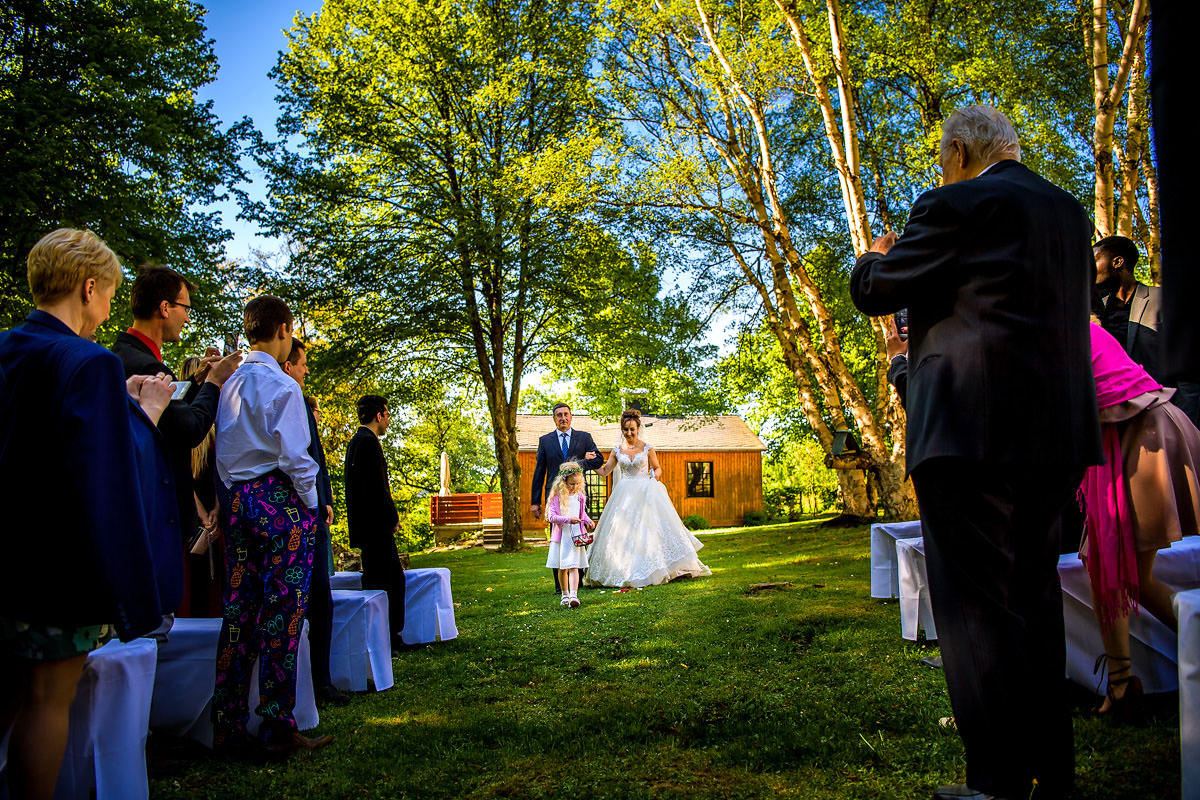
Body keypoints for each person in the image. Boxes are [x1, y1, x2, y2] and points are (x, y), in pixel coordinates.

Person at [850, 106, 1102, 800]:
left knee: (972, 609)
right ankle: (1052, 775)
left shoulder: (956, 202)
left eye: (940, 156)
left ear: (959, 150)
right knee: (1035, 600)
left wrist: (875, 253)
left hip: (967, 432)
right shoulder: (1070, 216)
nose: (938, 168)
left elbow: (875, 291)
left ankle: (993, 783)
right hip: (1055, 437)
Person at [0, 229, 165, 799]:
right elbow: (106, 478)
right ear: (90, 287)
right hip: (54, 563)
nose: (106, 313)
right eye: (108, 296)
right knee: (47, 701)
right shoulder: (89, 363)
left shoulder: (5, 348)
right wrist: (144, 416)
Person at [212, 295, 331, 759]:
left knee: (238, 614)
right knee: (283, 615)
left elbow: (223, 456)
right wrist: (309, 504)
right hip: (282, 503)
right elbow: (298, 460)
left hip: (239, 500)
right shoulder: (284, 388)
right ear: (284, 329)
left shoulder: (230, 386)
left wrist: (236, 497)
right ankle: (278, 727)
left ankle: (227, 725)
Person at [1079, 320, 1200, 715]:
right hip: (1131, 432)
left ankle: (1122, 682)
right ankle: (1121, 683)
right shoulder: (1056, 320)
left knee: (1122, 567)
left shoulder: (1047, 327)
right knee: (1110, 565)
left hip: (1142, 433)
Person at [111, 267, 242, 618]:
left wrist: (197, 384)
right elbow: (189, 429)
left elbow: (171, 416)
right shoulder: (147, 366)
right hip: (155, 515)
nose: (187, 317)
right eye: (186, 307)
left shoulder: (122, 355)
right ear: (166, 308)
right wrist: (215, 381)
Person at [282, 339, 349, 706]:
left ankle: (318, 678)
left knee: (319, 597)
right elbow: (302, 460)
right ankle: (317, 682)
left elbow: (317, 459)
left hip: (314, 511)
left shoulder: (296, 397)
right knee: (316, 598)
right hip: (302, 516)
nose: (307, 371)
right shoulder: (289, 397)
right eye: (303, 363)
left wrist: (326, 500)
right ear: (289, 365)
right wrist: (315, 504)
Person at [584, 409, 712, 588]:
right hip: (624, 495)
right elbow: (605, 471)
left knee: (649, 530)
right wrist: (591, 462)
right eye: (626, 430)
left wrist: (655, 477)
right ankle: (624, 568)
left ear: (638, 429)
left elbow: (658, 468)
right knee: (623, 532)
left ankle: (661, 567)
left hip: (645, 491)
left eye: (632, 429)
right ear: (622, 430)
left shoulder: (647, 448)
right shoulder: (617, 450)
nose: (629, 433)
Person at [1094, 235, 1200, 426]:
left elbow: (1189, 378)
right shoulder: (1095, 310)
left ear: (1117, 262)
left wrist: (1185, 424)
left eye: (1094, 260)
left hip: (1161, 416)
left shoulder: (1163, 301)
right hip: (1113, 419)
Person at [345, 395, 407, 651]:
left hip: (364, 526)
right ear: (379, 415)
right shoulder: (369, 443)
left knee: (377, 580)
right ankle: (390, 637)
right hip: (376, 527)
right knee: (391, 581)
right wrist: (391, 518)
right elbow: (378, 487)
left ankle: (381, 636)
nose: (389, 420)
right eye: (387, 414)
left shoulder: (355, 442)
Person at [529, 403, 603, 592]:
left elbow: (598, 460)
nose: (563, 418)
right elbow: (539, 472)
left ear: (571, 417)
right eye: (559, 415)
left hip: (576, 496)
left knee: (578, 536)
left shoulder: (584, 438)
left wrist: (579, 462)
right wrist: (535, 502)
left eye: (566, 414)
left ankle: (576, 583)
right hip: (555, 497)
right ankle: (559, 586)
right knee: (558, 540)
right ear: (554, 419)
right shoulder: (545, 441)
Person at [544, 463, 595, 607]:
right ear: (564, 481)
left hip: (575, 536)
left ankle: (574, 595)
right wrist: (568, 520)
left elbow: (581, 513)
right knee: (563, 568)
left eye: (578, 483)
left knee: (574, 566)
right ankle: (564, 594)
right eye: (572, 483)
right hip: (562, 537)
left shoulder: (580, 497)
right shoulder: (557, 497)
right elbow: (551, 517)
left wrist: (588, 520)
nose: (575, 486)